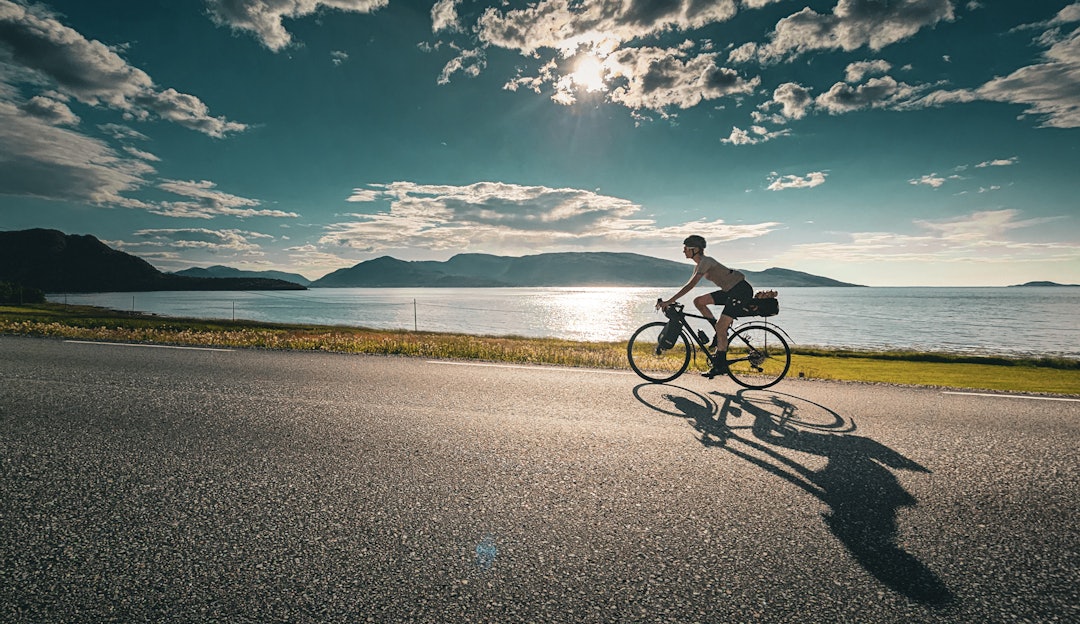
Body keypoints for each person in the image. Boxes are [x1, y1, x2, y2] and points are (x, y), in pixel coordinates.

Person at [659, 235, 754, 378]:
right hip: (730, 291)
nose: (683, 251)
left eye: (686, 248)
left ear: (695, 250)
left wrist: (669, 301)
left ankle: (720, 365)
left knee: (721, 327)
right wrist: (670, 300)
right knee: (699, 301)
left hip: (740, 291)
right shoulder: (699, 265)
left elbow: (690, 285)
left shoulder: (706, 262)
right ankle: (719, 331)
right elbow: (688, 284)